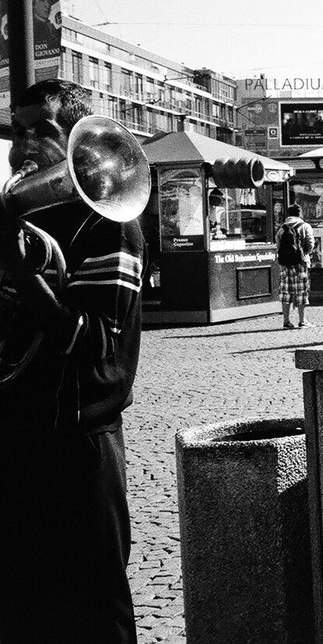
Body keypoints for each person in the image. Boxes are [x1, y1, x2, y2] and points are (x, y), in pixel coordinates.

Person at [0, 79, 144, 642]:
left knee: (91, 612)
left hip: (79, 446)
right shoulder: (18, 222)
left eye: (42, 131)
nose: (24, 144)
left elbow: (93, 346)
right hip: (17, 434)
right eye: (16, 131)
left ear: (78, 148)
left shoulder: (108, 220)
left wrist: (18, 272)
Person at [276, 204, 315, 328]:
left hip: (285, 264)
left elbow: (278, 245)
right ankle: (302, 320)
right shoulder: (305, 226)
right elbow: (310, 244)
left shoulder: (282, 227)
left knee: (286, 292)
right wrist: (304, 253)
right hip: (301, 263)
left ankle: (286, 321)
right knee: (301, 291)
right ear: (300, 213)